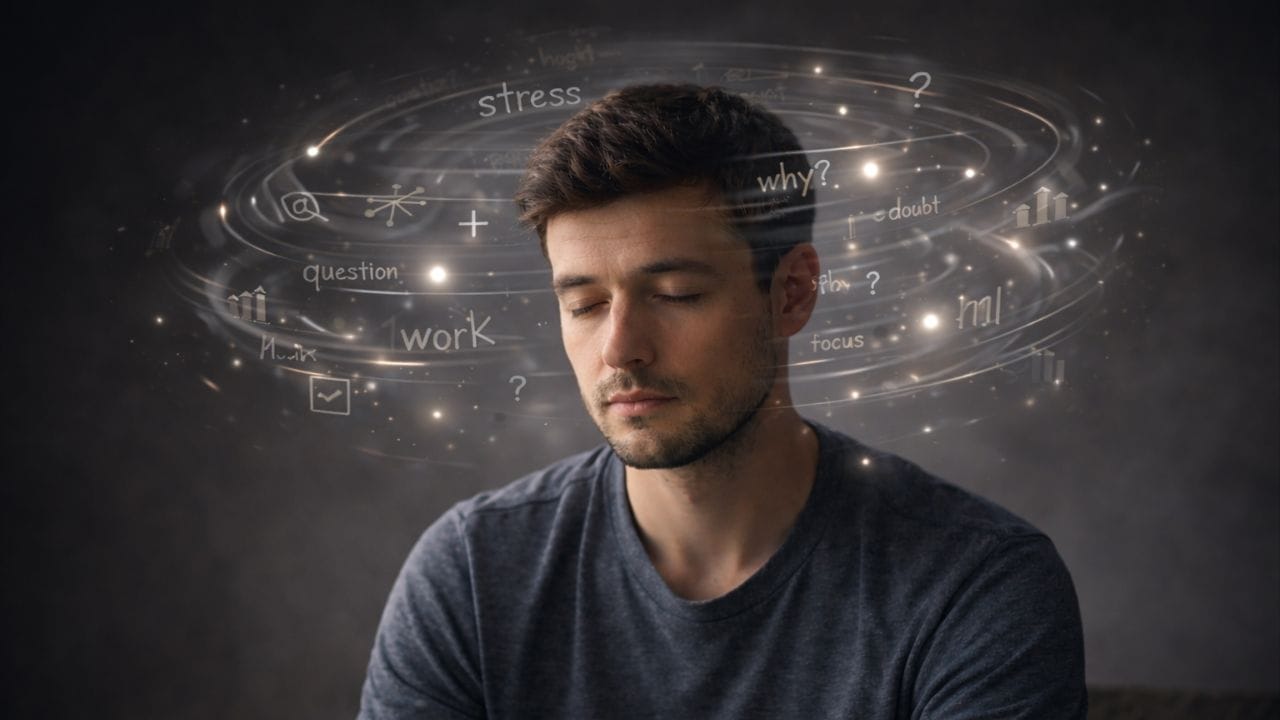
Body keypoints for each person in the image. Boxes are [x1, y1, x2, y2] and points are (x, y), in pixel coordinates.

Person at [358, 84, 1087, 719]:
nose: (620, 349)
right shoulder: (474, 573)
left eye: (676, 295)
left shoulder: (975, 584)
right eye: (584, 304)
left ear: (792, 291)